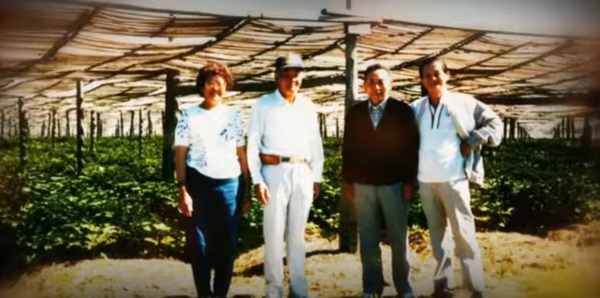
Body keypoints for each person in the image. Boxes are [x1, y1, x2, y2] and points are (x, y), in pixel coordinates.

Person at [410, 57, 503, 298]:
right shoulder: (416, 107)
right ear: (421, 80)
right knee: (438, 237)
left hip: (454, 179)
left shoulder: (463, 103)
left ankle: (477, 288)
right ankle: (444, 287)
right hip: (426, 181)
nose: (433, 79)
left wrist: (473, 140)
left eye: (437, 73)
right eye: (427, 75)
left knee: (463, 233)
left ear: (447, 75)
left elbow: (495, 123)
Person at [246, 53, 324, 298]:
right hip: (274, 172)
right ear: (277, 77)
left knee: (298, 234)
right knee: (273, 231)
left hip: (302, 171)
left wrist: (316, 176)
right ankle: (274, 288)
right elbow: (252, 145)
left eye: (296, 76)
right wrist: (258, 180)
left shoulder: (308, 106)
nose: (292, 81)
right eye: (286, 75)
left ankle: (299, 288)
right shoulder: (262, 105)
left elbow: (315, 143)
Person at [341, 63, 420, 298]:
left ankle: (404, 288)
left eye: (381, 82)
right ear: (364, 86)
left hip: (394, 185)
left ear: (390, 84)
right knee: (367, 239)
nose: (377, 87)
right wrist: (348, 182)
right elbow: (348, 150)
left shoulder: (402, 111)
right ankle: (372, 288)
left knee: (398, 239)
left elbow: (412, 149)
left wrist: (409, 182)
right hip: (363, 187)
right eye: (372, 82)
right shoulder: (355, 114)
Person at [174, 61, 251, 298]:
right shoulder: (189, 115)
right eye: (210, 83)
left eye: (220, 84)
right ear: (202, 87)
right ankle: (204, 294)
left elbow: (241, 153)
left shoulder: (233, 116)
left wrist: (247, 189)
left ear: (226, 87)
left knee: (226, 247)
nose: (215, 88)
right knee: (198, 246)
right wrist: (182, 190)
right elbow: (180, 154)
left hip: (230, 184)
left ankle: (220, 294)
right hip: (198, 184)